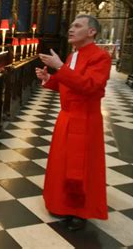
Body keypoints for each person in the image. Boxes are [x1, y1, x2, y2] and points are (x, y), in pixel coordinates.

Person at [36, 14, 111, 231]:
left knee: (80, 166)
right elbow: (66, 84)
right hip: (67, 117)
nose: (71, 29)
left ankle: (80, 211)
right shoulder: (73, 56)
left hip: (85, 119)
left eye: (77, 26)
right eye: (70, 25)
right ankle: (62, 203)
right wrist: (48, 79)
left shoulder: (100, 57)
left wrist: (59, 67)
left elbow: (91, 86)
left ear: (91, 32)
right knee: (63, 162)